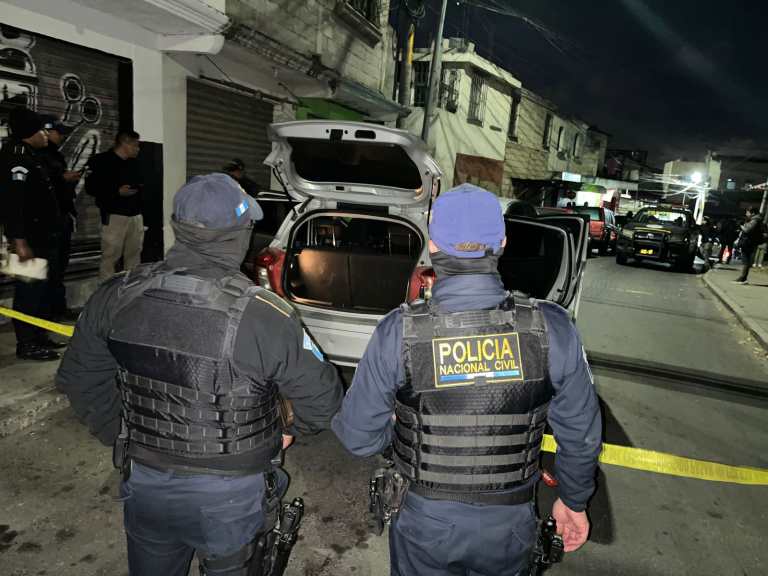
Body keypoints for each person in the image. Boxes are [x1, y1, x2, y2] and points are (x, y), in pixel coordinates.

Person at [56, 173, 344, 575]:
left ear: (179, 227)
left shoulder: (117, 293)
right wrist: (286, 431)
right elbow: (324, 400)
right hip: (231, 494)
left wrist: (125, 435)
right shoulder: (264, 314)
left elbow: (80, 379)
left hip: (147, 483)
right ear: (240, 236)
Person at [332, 184, 602, 576]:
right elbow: (581, 434)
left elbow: (357, 437)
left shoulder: (399, 331)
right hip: (510, 523)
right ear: (503, 243)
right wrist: (574, 500)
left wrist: (403, 436)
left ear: (433, 246)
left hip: (425, 520)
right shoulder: (552, 327)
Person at [0, 107, 63, 360]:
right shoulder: (16, 158)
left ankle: (39, 335)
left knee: (42, 291)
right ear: (30, 132)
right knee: (28, 292)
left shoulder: (31, 155)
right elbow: (13, 204)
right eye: (41, 131)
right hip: (29, 239)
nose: (45, 135)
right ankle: (26, 343)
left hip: (43, 236)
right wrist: (19, 241)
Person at [85, 130, 144, 280]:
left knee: (134, 256)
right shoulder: (101, 161)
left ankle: (131, 288)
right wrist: (116, 191)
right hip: (114, 215)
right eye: (135, 145)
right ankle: (106, 290)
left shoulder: (135, 163)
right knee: (110, 257)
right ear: (124, 143)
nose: (138, 149)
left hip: (135, 215)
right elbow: (90, 187)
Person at [40, 115, 81, 320]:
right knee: (51, 268)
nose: (62, 136)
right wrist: (62, 178)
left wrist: (68, 180)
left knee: (59, 266)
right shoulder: (37, 155)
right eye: (59, 132)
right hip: (47, 221)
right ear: (47, 132)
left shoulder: (55, 155)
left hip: (61, 217)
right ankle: (49, 311)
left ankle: (57, 308)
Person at [734, 207, 764, 284]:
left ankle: (743, 278)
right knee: (746, 260)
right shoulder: (756, 219)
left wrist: (741, 226)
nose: (746, 214)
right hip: (750, 242)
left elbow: (747, 230)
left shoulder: (755, 220)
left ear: (752, 213)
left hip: (749, 242)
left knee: (745, 261)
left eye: (747, 212)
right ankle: (743, 277)